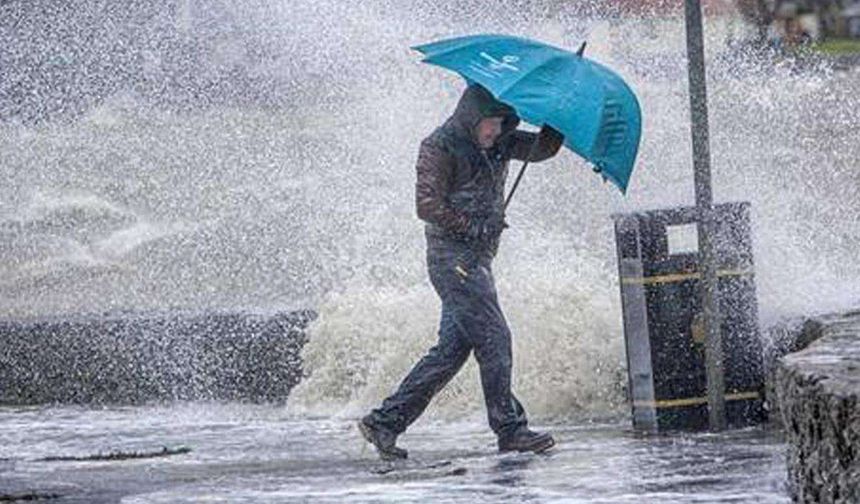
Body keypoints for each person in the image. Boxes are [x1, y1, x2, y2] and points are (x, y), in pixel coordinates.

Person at [359, 83, 564, 460]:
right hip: (452, 259)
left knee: (451, 351)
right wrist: (473, 226)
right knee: (495, 338)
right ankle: (510, 429)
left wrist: (558, 118)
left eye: (502, 124)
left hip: (478, 260)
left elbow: (542, 149)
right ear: (471, 118)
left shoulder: (500, 141)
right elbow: (426, 205)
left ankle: (384, 422)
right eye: (489, 124)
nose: (495, 132)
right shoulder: (439, 146)